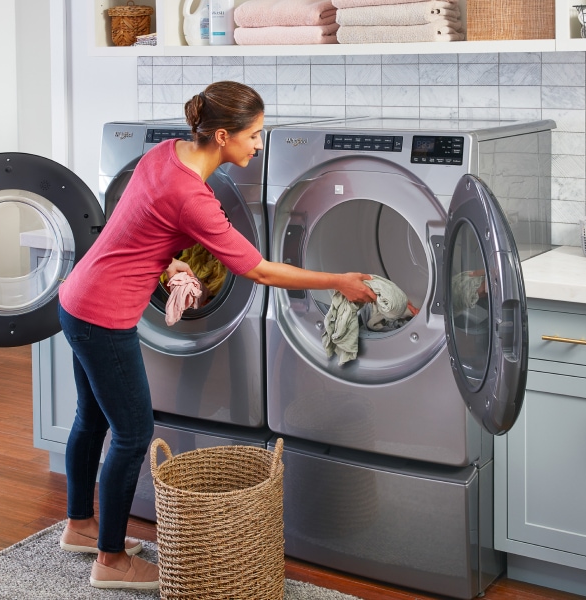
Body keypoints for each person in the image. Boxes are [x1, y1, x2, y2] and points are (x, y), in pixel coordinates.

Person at [56, 80, 377, 590]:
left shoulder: (164, 153)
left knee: (91, 419)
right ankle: (110, 562)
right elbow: (260, 270)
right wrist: (338, 280)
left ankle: (79, 525)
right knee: (133, 434)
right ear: (223, 135)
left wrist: (167, 261)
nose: (258, 145)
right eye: (254, 135)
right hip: (105, 316)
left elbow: (134, 224)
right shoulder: (192, 196)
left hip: (77, 298)